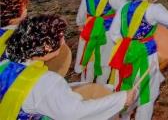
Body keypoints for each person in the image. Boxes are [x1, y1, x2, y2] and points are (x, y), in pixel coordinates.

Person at [1, 14, 133, 119]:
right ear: (47, 46)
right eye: (61, 37)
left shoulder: (5, 64)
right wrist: (121, 99)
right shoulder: (46, 81)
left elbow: (35, 95)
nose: (64, 41)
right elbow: (76, 113)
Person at [75, 0, 126, 84]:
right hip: (107, 32)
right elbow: (124, 10)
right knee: (105, 59)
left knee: (89, 57)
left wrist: (81, 24)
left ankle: (85, 85)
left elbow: (82, 12)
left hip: (90, 30)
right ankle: (101, 86)